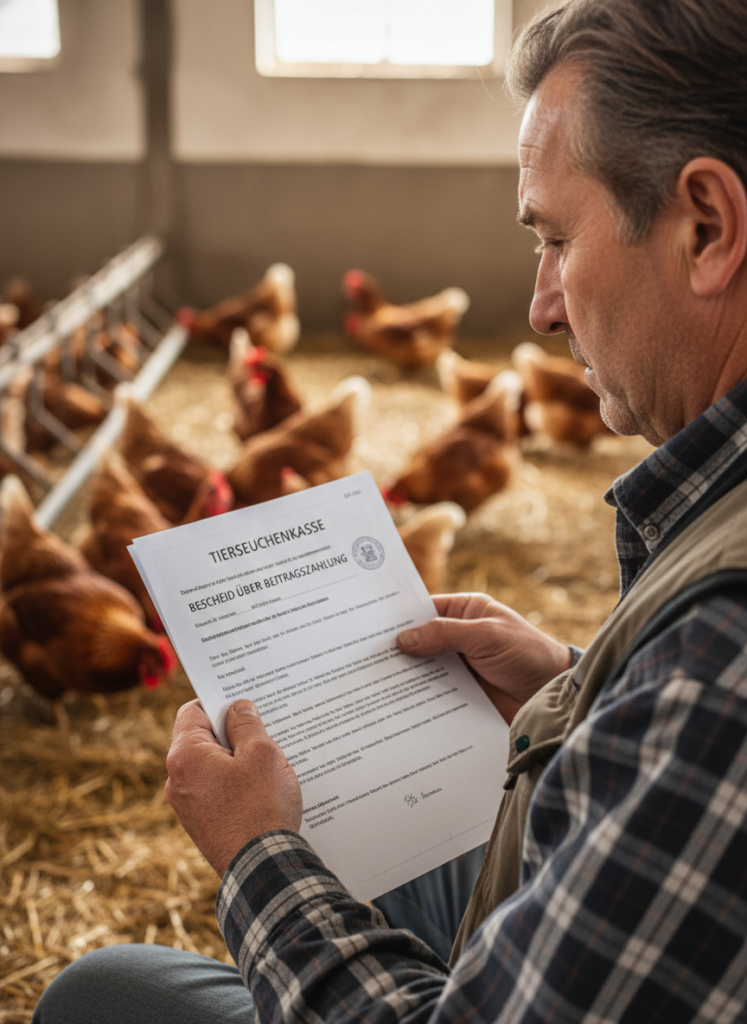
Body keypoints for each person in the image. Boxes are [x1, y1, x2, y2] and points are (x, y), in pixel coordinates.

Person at [34, 0, 747, 1020]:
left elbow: (704, 705)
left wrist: (256, 856)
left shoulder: (719, 665)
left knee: (101, 994)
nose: (543, 304)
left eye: (556, 239)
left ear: (707, 228)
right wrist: (578, 692)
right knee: (397, 823)